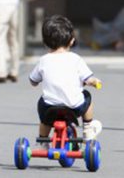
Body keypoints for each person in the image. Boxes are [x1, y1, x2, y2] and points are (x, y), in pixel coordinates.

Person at [29, 15, 103, 147]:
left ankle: (43, 140)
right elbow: (88, 79)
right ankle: (87, 128)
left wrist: (36, 82)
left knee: (43, 111)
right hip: (74, 107)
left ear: (45, 42)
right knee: (87, 96)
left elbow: (33, 80)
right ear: (71, 41)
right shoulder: (76, 59)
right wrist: (94, 82)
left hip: (49, 108)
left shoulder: (43, 60)